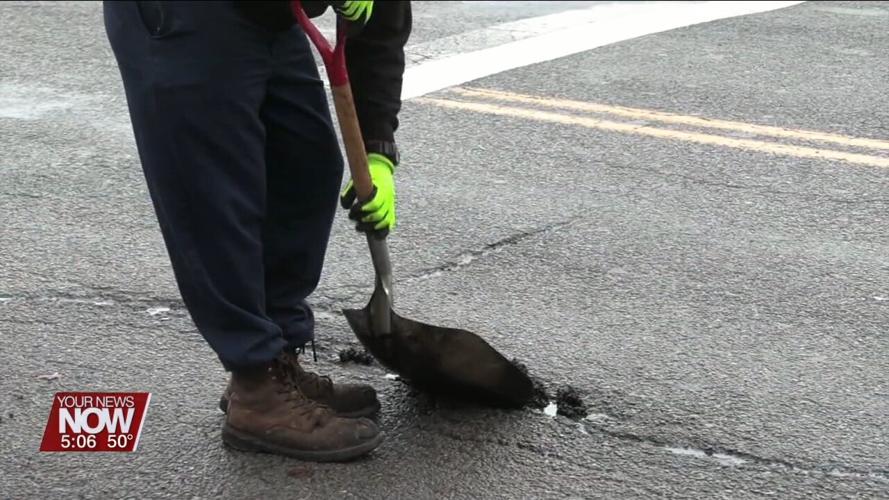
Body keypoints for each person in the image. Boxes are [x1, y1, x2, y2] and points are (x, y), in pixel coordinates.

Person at [104, 0, 411, 462]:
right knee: (215, 193)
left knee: (305, 165)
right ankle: (256, 383)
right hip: (184, 15)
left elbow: (383, 23)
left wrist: (377, 151)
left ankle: (278, 355)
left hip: (265, 14)